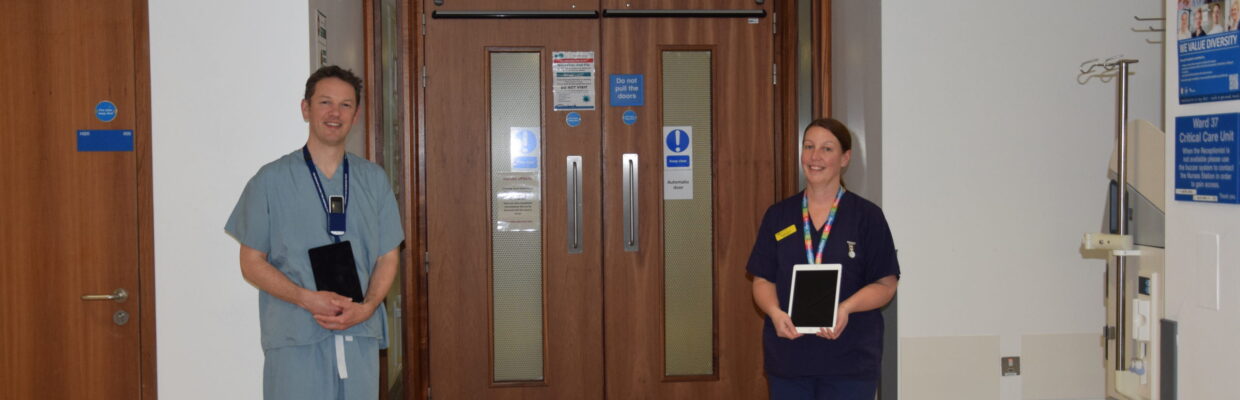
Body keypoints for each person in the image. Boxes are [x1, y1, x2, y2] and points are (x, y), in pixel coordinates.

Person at [226, 65, 404, 399]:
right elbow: (251, 263)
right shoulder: (270, 181)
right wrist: (306, 299)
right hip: (296, 338)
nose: (335, 113)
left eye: (345, 105)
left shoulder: (373, 180)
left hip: (358, 333)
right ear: (306, 108)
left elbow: (388, 256)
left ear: (356, 115)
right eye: (325, 102)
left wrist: (367, 307)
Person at [747, 118, 900, 400]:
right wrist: (774, 312)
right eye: (809, 147)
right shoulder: (778, 215)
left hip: (850, 360)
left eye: (827, 149)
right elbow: (762, 279)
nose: (815, 156)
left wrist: (847, 308)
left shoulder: (867, 217)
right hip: (790, 359)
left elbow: (886, 284)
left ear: (845, 158)